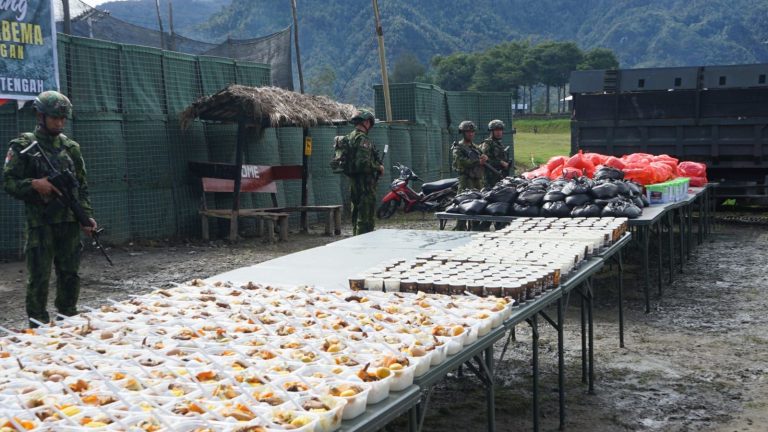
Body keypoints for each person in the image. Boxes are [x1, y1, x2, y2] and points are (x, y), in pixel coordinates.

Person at [3, 90, 97, 328]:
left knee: (70, 274)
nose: (60, 123)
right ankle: (38, 325)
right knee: (39, 278)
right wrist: (34, 184)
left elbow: (82, 186)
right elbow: (8, 182)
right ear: (40, 116)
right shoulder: (23, 145)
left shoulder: (71, 147)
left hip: (69, 222)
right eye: (55, 118)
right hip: (40, 224)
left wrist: (86, 216)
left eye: (63, 118)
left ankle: (67, 319)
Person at [344, 109, 384, 236]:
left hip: (354, 183)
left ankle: (356, 241)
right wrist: (378, 168)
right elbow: (363, 164)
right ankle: (364, 245)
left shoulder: (349, 137)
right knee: (365, 218)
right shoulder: (363, 139)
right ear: (366, 122)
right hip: (365, 185)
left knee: (356, 215)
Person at [451, 120, 486, 230]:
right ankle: (460, 228)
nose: (471, 134)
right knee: (463, 203)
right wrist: (477, 162)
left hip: (477, 179)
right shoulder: (458, 148)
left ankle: (475, 226)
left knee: (479, 203)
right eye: (468, 132)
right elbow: (461, 162)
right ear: (463, 133)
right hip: (465, 180)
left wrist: (485, 158)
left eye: (472, 132)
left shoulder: (476, 148)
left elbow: (482, 158)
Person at [479, 119, 510, 188]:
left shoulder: (499, 144)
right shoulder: (487, 144)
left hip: (500, 176)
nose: (499, 132)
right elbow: (484, 161)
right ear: (491, 131)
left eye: (500, 130)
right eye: (496, 130)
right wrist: (500, 162)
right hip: (490, 179)